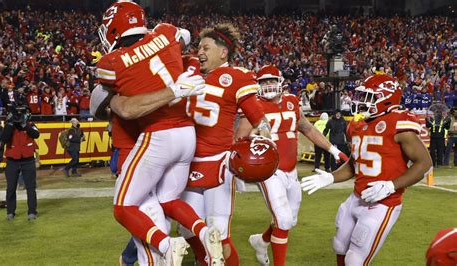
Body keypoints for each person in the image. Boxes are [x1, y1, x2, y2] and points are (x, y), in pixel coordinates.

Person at [95, 2, 220, 265]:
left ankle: (167, 244)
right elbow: (183, 36)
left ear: (113, 26)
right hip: (187, 136)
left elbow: (106, 101)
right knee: (168, 200)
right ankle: (204, 232)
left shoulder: (111, 62)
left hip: (157, 136)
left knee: (123, 207)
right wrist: (153, 40)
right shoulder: (166, 31)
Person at [302, 74, 433, 265]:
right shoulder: (357, 125)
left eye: (368, 97)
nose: (361, 102)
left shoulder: (398, 123)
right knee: (339, 245)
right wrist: (330, 178)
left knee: (355, 259)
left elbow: (424, 163)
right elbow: (355, 165)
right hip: (356, 197)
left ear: (386, 99)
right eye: (361, 96)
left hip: (383, 202)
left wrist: (391, 186)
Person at [177, 24, 273, 266]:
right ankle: (205, 260)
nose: (199, 52)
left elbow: (258, 118)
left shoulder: (237, 77)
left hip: (217, 164)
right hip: (186, 163)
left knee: (218, 235)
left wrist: (262, 136)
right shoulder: (190, 72)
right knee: (187, 230)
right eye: (198, 47)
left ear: (223, 53)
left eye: (206, 48)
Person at [235, 65, 348, 266]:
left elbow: (307, 128)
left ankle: (261, 241)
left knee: (289, 220)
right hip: (269, 170)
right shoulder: (253, 106)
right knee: (284, 220)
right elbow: (240, 140)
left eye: (271, 81)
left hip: (291, 170)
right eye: (263, 82)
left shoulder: (291, 102)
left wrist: (333, 150)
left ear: (280, 82)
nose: (268, 85)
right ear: (257, 85)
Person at [1, 104, 40, 221]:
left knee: (30, 187)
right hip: (12, 160)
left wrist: (25, 125)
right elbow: (4, 139)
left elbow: (36, 134)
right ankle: (10, 212)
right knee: (11, 187)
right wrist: (10, 123)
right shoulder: (9, 127)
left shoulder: (31, 125)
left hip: (27, 160)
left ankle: (32, 211)